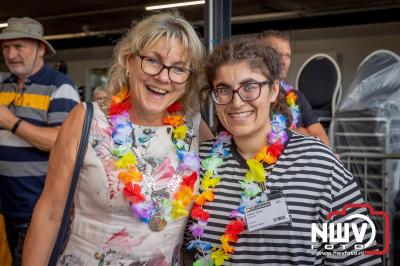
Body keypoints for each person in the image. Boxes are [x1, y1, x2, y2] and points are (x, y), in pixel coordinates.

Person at [22, 12, 213, 265]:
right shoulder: (86, 120)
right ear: (129, 60)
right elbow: (50, 213)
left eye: (178, 68)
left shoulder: (194, 128)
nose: (164, 77)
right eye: (153, 61)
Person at [185, 38, 381, 265]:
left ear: (273, 90)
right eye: (223, 90)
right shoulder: (198, 161)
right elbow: (186, 249)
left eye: (250, 87)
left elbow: (357, 259)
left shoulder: (320, 165)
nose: (236, 102)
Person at [0, 17, 80, 265]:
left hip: (39, 210)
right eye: (5, 47)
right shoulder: (5, 85)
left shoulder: (60, 86)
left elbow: (61, 141)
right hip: (6, 208)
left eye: (19, 46)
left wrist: (11, 122)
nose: (11, 54)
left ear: (41, 48)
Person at [259, 30, 331, 146]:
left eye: (287, 56)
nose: (283, 61)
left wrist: (285, 135)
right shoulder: (248, 97)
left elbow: (322, 139)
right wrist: (301, 133)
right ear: (257, 56)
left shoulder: (297, 97)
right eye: (276, 54)